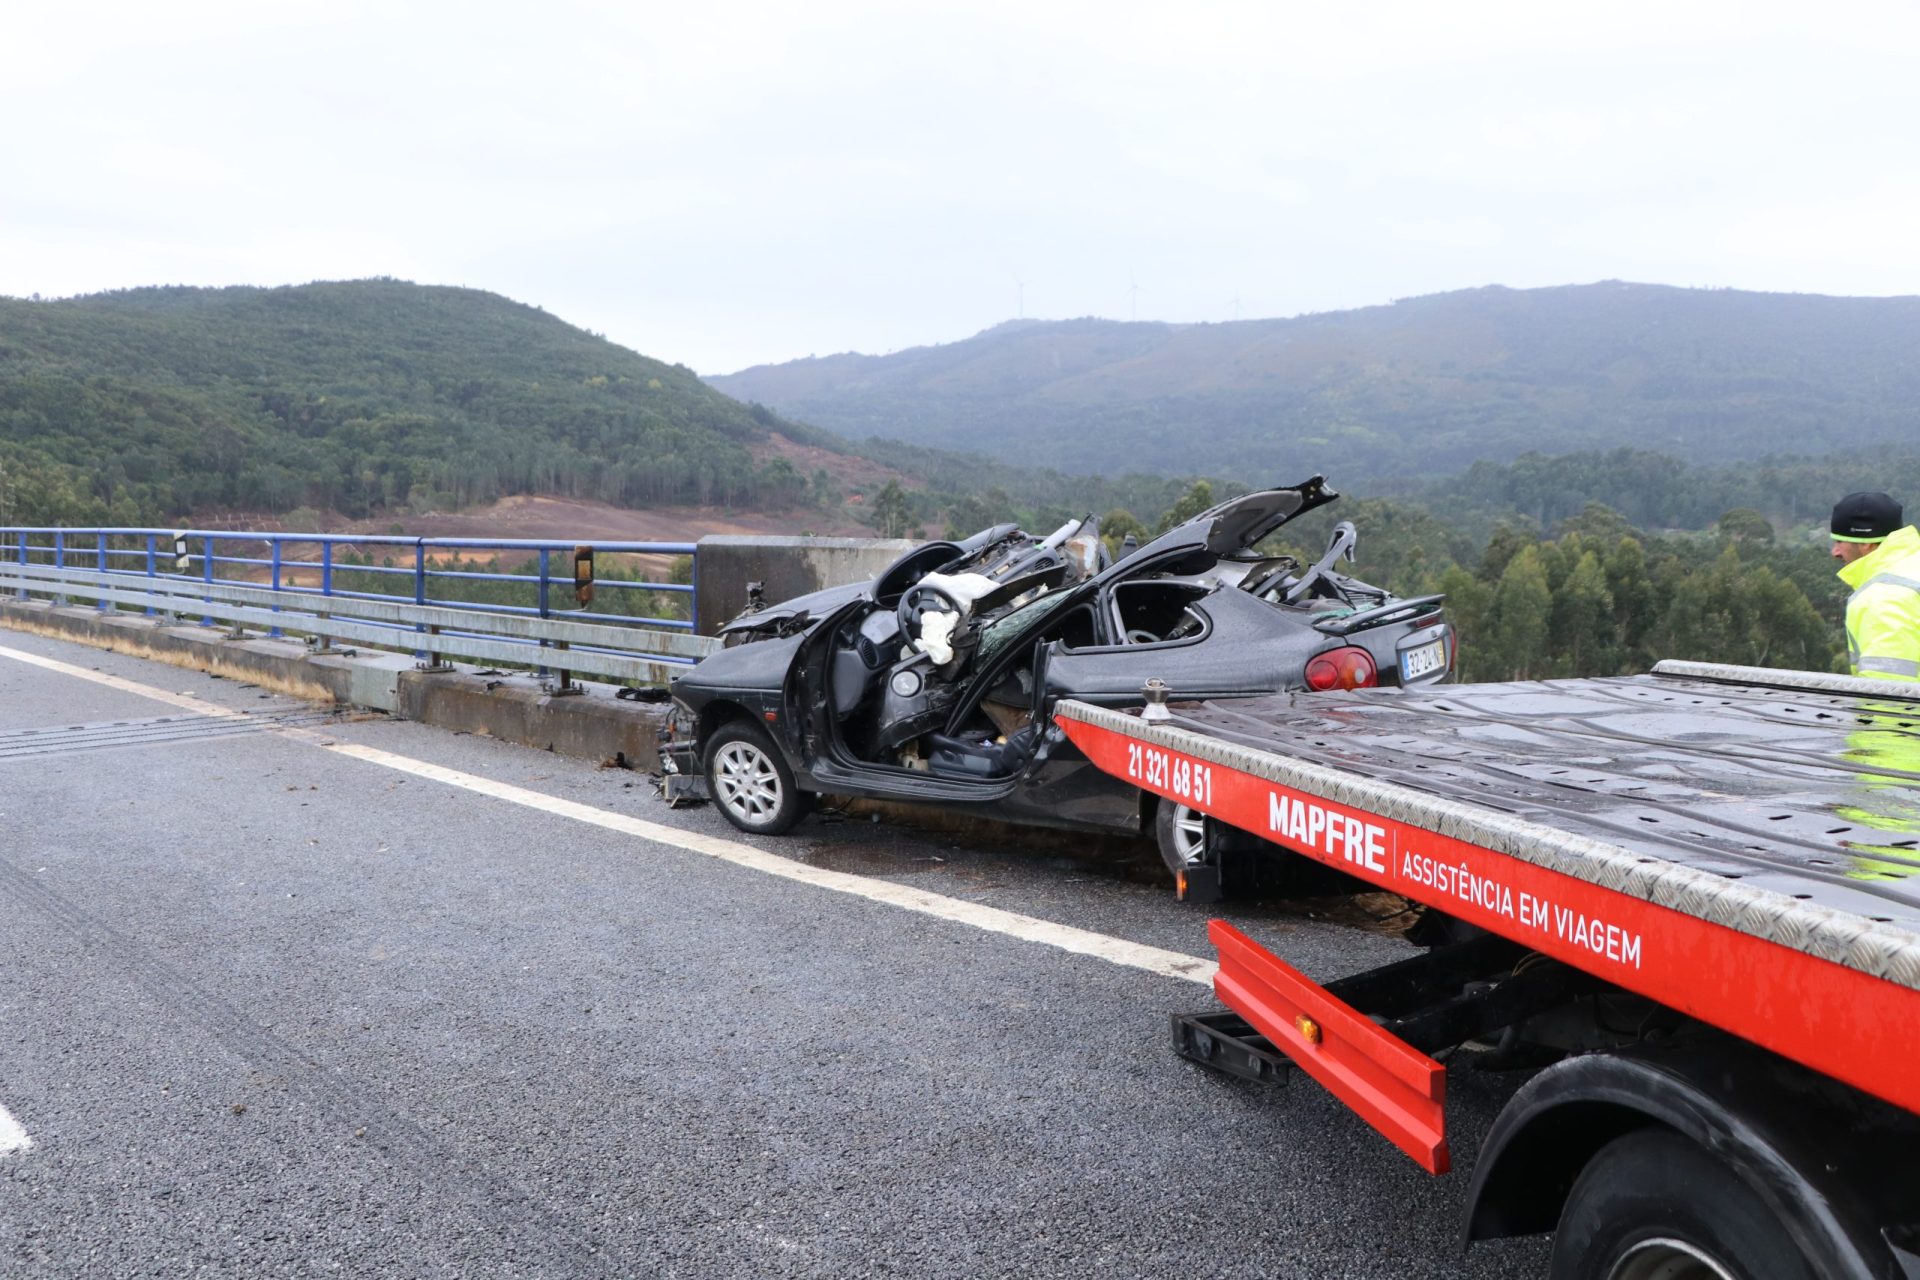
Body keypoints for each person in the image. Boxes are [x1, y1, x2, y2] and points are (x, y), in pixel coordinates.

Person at [1830, 491, 1920, 681]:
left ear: (1865, 544)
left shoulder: (1883, 599)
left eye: (1840, 541)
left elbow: (1887, 697)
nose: (1835, 552)